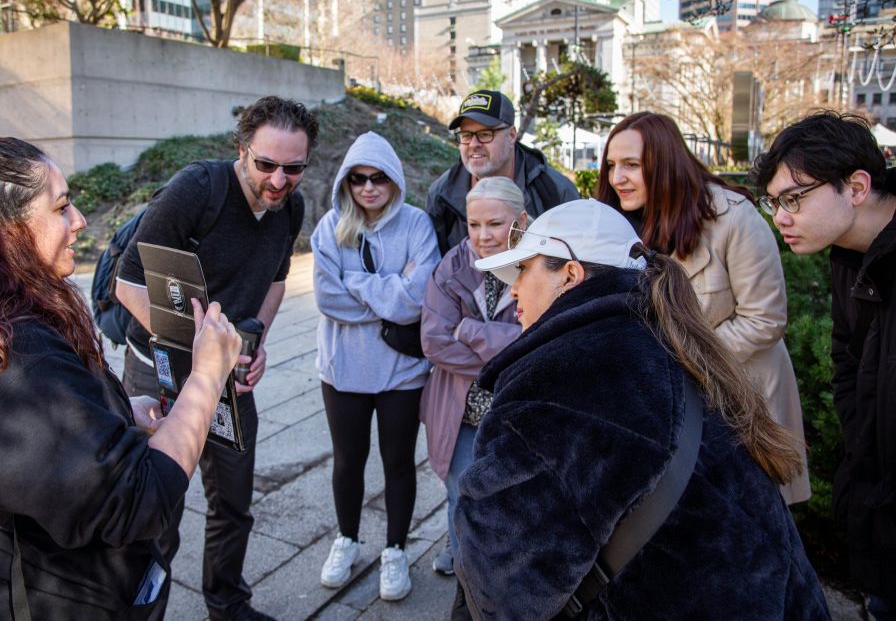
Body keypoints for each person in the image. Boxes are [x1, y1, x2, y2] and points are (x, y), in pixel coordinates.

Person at [0, 131, 241, 619]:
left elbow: (24, 450)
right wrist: (207, 376)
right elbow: (136, 500)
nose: (80, 221)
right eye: (61, 207)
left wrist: (113, 415)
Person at [454, 199, 829, 620]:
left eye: (524, 269)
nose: (514, 289)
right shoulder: (670, 345)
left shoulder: (556, 385)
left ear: (570, 276)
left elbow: (503, 590)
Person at [115, 96, 313, 621]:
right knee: (159, 505)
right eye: (266, 164)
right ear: (241, 148)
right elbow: (127, 283)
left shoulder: (290, 207)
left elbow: (275, 278)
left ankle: (228, 605)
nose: (278, 180)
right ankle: (143, 610)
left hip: (229, 373)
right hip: (159, 367)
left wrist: (256, 342)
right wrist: (199, 356)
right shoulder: (196, 191)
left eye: (293, 168)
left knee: (233, 501)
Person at [595, 111, 810, 504]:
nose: (616, 178)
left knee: (752, 533)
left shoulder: (733, 217)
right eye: (610, 165)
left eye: (630, 165)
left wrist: (678, 359)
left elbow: (764, 319)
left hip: (744, 408)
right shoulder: (617, 228)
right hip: (667, 413)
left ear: (663, 161)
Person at [752, 111, 896, 620]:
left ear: (856, 186)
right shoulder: (848, 254)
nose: (780, 218)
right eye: (775, 203)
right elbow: (850, 368)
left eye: (794, 199)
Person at [311, 132, 439, 602]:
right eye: (359, 179)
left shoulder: (417, 225)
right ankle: (346, 538)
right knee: (347, 462)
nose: (368, 188)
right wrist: (389, 288)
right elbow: (327, 299)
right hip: (342, 368)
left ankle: (396, 549)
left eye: (378, 178)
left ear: (394, 180)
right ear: (347, 182)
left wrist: (358, 282)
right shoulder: (329, 227)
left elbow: (415, 302)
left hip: (400, 370)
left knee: (398, 463)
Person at [420, 176, 525, 619]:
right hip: (461, 410)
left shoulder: (540, 261)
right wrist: (507, 348)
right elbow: (433, 341)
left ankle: (509, 582)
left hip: (515, 410)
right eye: (474, 224)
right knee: (460, 494)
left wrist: (471, 331)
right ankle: (468, 585)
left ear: (519, 221)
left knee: (517, 500)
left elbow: (539, 336)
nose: (482, 236)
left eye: (495, 224)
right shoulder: (452, 266)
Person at [427, 90, 578, 255]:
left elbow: (578, 260)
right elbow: (439, 267)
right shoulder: (442, 193)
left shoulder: (554, 190)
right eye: (466, 135)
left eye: (485, 134)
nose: (473, 144)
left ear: (512, 135)